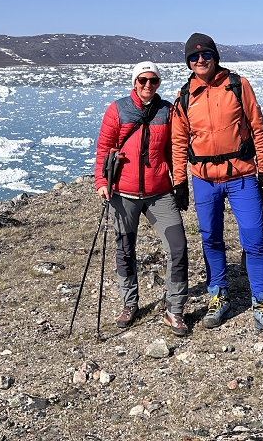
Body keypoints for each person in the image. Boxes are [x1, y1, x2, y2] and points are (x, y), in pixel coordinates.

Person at [171, 33, 263, 336]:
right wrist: (180, 181)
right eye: (193, 57)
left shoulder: (237, 84)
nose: (200, 61)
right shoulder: (185, 95)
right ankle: (217, 295)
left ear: (215, 56)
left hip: (242, 175)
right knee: (211, 238)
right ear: (188, 62)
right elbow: (179, 141)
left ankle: (262, 303)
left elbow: (257, 126)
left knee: (255, 238)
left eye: (205, 55)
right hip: (204, 179)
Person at [93, 61, 191, 337]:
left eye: (153, 81)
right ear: (134, 82)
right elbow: (104, 148)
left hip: (159, 193)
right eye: (143, 80)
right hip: (123, 194)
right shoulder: (118, 109)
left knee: (178, 247)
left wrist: (180, 183)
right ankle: (129, 303)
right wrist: (102, 182)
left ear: (158, 83)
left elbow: (176, 151)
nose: (148, 85)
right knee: (125, 250)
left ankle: (175, 309)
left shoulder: (167, 111)